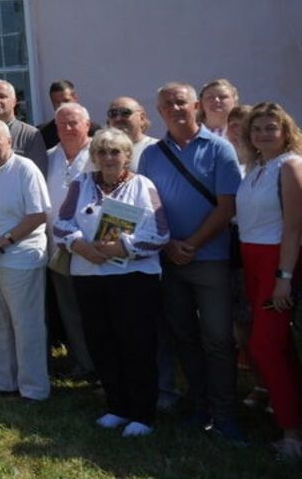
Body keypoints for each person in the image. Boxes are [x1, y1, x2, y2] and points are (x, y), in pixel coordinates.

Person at [138, 82, 244, 442]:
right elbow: (146, 208)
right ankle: (200, 408)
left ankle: (226, 414)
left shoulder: (219, 149)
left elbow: (226, 207)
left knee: (217, 338)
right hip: (169, 260)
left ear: (195, 105)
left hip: (210, 258)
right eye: (166, 104)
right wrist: (169, 245)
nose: (174, 108)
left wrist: (191, 244)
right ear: (159, 111)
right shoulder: (151, 155)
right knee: (184, 337)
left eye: (180, 102)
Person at [54, 128, 169, 437]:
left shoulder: (143, 185)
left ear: (127, 156)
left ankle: (142, 414)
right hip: (89, 276)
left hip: (133, 279)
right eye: (102, 152)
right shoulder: (81, 184)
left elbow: (159, 233)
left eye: (115, 152)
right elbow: (61, 225)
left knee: (136, 345)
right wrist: (81, 246)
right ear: (94, 157)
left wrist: (123, 248)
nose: (108, 158)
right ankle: (116, 407)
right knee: (101, 343)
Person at [236, 102, 302, 458]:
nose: (263, 134)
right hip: (251, 261)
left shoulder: (290, 166)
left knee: (265, 346)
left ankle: (292, 436)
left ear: (285, 131)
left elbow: (293, 228)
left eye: (271, 128)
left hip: (276, 262)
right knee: (278, 346)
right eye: (257, 128)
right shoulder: (257, 166)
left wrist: (284, 278)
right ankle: (293, 418)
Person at [0, 118, 51, 402]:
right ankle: (4, 383)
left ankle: (33, 389)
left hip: (21, 258)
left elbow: (38, 215)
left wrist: (5, 239)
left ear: (9, 141)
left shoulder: (24, 168)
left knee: (25, 324)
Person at [45, 103, 95, 379]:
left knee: (95, 311)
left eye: (73, 122)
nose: (67, 128)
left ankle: (102, 363)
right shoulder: (50, 156)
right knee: (70, 310)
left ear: (87, 125)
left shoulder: (98, 154)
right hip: (58, 249)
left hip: (92, 248)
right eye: (62, 124)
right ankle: (83, 363)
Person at [38, 80, 98, 149]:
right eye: (57, 102)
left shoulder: (94, 131)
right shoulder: (43, 134)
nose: (62, 105)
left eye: (66, 101)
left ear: (75, 99)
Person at [106, 97, 157, 165]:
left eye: (125, 113)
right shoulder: (100, 150)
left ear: (141, 117)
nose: (118, 118)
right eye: (113, 114)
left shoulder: (156, 149)